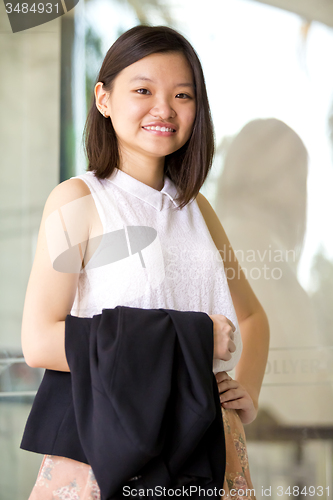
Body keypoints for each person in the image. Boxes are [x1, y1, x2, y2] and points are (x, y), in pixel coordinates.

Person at [21, 25, 269, 500]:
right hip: (109, 439)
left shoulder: (197, 209)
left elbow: (253, 318)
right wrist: (192, 338)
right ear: (104, 98)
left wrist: (246, 396)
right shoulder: (76, 201)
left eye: (182, 94)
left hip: (207, 440)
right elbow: (39, 341)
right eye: (143, 90)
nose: (164, 109)